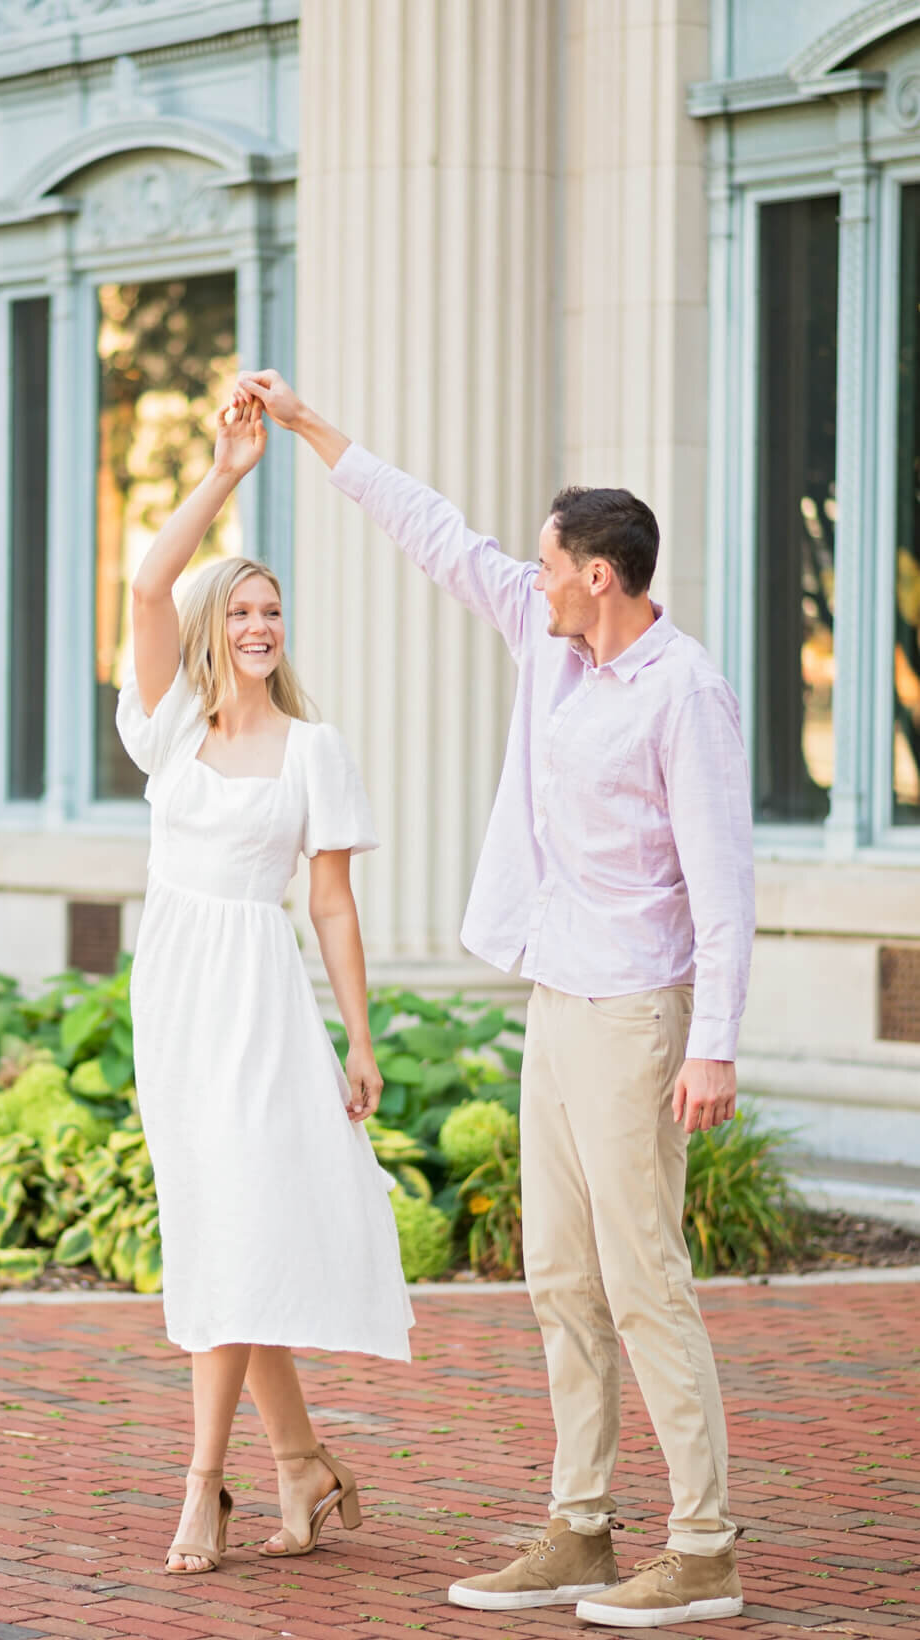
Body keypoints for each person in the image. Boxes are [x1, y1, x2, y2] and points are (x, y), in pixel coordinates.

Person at [232, 368, 755, 1629]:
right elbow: (432, 529)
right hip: (557, 988)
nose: (526, 572)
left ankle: (704, 1544)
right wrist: (306, 428)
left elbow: (725, 883)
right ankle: (581, 1525)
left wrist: (716, 1045)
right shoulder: (547, 637)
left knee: (644, 1277)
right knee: (558, 1274)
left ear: (600, 575)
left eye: (549, 560)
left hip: (638, 1008)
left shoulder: (683, 692)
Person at [116, 394, 414, 1577]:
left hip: (257, 996)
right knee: (221, 1230)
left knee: (231, 1229)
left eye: (272, 609)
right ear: (211, 624)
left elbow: (331, 902)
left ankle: (203, 1488)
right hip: (172, 997)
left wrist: (361, 1036)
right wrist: (226, 472)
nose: (259, 623)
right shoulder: (173, 725)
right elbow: (147, 584)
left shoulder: (314, 749)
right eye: (240, 607)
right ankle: (300, 1462)